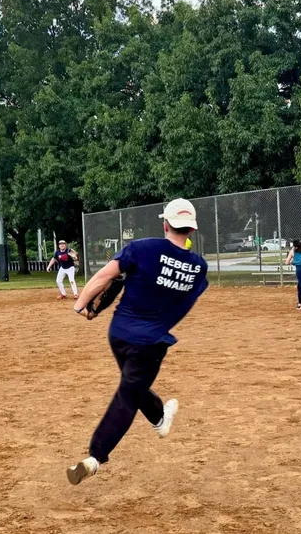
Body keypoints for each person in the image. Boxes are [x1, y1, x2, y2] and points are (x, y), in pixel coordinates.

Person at [66, 198, 208, 485]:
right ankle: (95, 457)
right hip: (151, 342)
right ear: (191, 230)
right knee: (128, 394)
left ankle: (159, 420)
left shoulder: (142, 248)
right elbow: (184, 299)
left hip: (119, 334)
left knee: (134, 385)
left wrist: (81, 304)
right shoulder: (199, 268)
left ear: (165, 224)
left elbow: (106, 276)